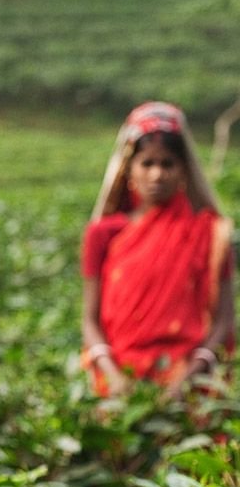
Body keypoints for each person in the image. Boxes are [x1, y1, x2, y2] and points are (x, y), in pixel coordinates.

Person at [81, 101, 234, 398]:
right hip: (118, 380)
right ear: (129, 169)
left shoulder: (209, 233)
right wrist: (113, 377)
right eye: (147, 163)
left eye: (167, 164)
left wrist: (186, 381)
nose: (157, 175)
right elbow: (90, 319)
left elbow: (225, 320)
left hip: (187, 380)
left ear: (183, 171)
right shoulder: (103, 234)